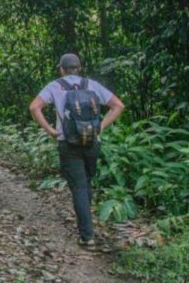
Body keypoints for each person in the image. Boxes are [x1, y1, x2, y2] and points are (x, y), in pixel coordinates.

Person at [29, 53, 125, 249]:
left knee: (79, 187)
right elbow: (118, 106)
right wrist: (101, 127)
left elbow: (34, 107)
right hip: (92, 142)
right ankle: (86, 222)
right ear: (79, 68)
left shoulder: (55, 86)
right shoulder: (92, 85)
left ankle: (87, 235)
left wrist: (51, 131)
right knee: (86, 182)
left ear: (61, 69)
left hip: (68, 143)